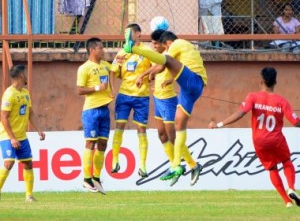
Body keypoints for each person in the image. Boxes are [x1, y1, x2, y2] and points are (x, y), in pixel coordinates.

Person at [123, 29, 207, 183]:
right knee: (178, 125)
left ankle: (132, 47)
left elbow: (164, 64)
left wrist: (144, 68)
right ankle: (189, 166)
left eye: (159, 44)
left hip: (190, 84)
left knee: (172, 134)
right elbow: (167, 66)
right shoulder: (177, 51)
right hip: (188, 89)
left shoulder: (176, 44)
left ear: (167, 43)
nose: (157, 47)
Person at [208, 67, 300, 208]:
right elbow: (295, 122)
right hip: (276, 140)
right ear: (275, 81)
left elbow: (240, 114)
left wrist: (219, 124)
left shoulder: (253, 97)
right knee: (287, 161)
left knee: (272, 169)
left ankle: (287, 202)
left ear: (261, 81)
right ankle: (291, 188)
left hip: (260, 141)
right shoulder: (282, 101)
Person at [110, 23, 152, 178]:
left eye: (129, 33)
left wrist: (144, 75)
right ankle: (115, 161)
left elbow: (156, 67)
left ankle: (143, 166)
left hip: (142, 96)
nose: (126, 36)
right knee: (119, 125)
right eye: (125, 33)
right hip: (124, 95)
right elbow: (113, 72)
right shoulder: (122, 52)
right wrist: (113, 91)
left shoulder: (147, 51)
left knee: (141, 129)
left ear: (138, 34)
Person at [0, 64, 46, 202]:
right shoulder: (9, 94)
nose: (26, 76)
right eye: (25, 74)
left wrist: (39, 129)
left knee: (28, 164)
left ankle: (29, 196)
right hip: (8, 136)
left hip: (22, 136)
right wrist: (12, 138)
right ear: (21, 76)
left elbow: (30, 113)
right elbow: (3, 117)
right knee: (9, 163)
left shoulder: (25, 93)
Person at [77, 37, 114, 194]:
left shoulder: (106, 65)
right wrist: (98, 88)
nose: (103, 50)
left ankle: (96, 178)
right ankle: (86, 179)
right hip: (91, 111)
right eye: (100, 48)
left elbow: (118, 69)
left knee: (103, 145)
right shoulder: (84, 68)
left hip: (105, 110)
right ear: (92, 50)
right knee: (90, 143)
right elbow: (79, 90)